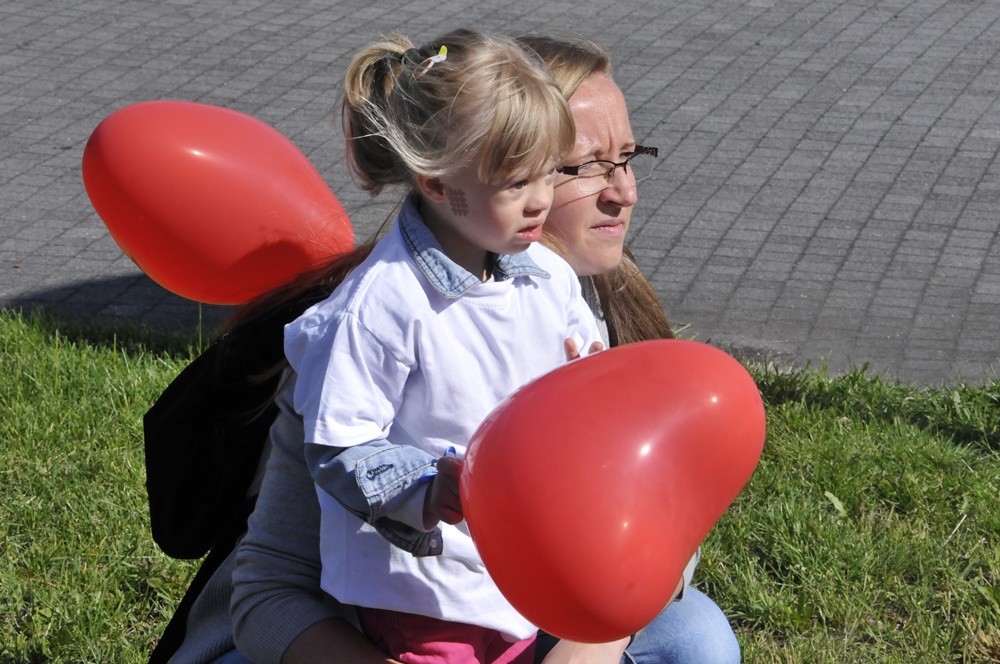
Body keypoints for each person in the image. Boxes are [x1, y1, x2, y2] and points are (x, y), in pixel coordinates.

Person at [163, 32, 739, 664]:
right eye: (584, 165)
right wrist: (428, 491)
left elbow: (653, 520)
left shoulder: (562, 295)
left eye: (626, 157)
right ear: (440, 179)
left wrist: (581, 650)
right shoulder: (366, 323)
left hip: (514, 614)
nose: (623, 191)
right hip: (374, 625)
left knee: (695, 635)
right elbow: (271, 588)